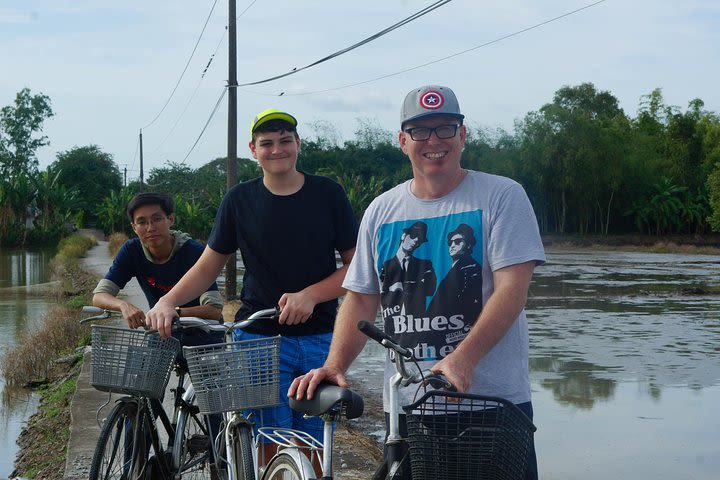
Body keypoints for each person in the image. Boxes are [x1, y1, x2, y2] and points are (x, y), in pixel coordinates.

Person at [289, 85, 546, 480]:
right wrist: (334, 365)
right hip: (409, 406)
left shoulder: (502, 196)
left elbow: (513, 289)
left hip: (492, 407)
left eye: (445, 128)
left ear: (462, 135)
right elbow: (360, 299)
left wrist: (463, 359)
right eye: (420, 131)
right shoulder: (381, 211)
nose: (434, 141)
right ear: (403, 141)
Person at [144, 109, 358, 461]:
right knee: (268, 441)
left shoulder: (328, 194)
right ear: (253, 149)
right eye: (267, 143)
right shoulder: (239, 200)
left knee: (316, 445)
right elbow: (208, 264)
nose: (277, 150)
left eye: (285, 141)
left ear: (298, 145)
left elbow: (356, 268)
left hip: (321, 338)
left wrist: (310, 296)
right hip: (258, 340)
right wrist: (167, 302)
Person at [92, 192, 224, 340]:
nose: (150, 228)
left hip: (204, 333)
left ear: (170, 219)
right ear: (134, 227)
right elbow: (99, 296)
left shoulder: (193, 251)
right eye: (142, 222)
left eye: (157, 219)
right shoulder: (131, 251)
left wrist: (172, 312)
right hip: (161, 334)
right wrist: (124, 306)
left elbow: (214, 310)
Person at [379, 220, 436, 318]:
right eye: (414, 235)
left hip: (419, 321)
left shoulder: (425, 265)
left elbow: (430, 289)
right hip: (393, 323)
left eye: (420, 239)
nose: (416, 241)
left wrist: (400, 286)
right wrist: (417, 284)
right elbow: (380, 293)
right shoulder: (386, 266)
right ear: (404, 236)